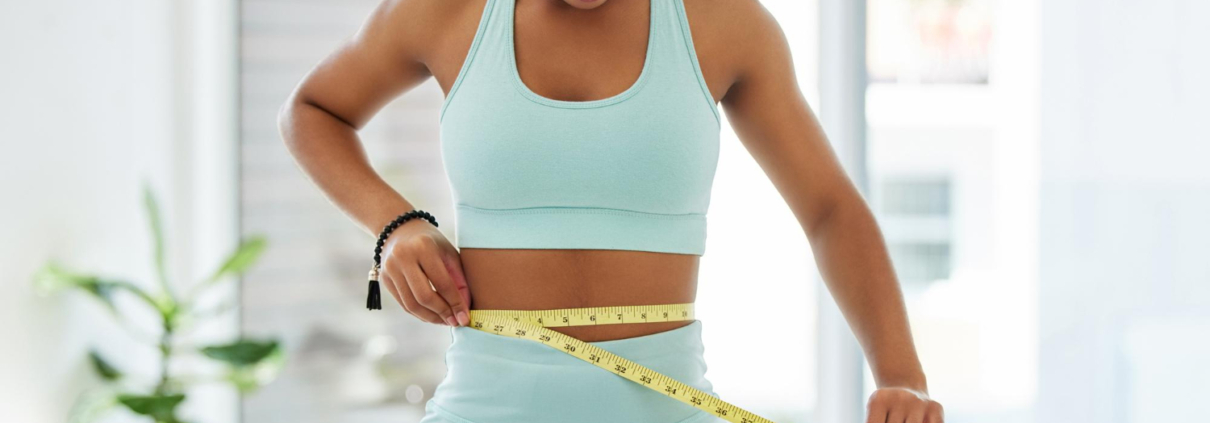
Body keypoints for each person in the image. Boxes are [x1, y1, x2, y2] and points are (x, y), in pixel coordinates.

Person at [277, 0, 944, 422]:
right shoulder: (445, 12)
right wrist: (395, 224)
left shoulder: (724, 24)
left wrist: (902, 377)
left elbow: (829, 206)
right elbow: (311, 111)